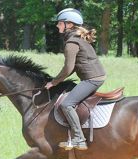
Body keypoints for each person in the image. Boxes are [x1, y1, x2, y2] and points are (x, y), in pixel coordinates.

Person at [45, 8, 106, 151]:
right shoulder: (77, 39)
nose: (57, 26)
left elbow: (68, 68)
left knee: (66, 105)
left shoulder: (72, 43)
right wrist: (57, 80)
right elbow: (72, 68)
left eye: (60, 23)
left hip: (92, 79)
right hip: (94, 77)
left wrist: (54, 82)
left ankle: (79, 139)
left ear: (69, 25)